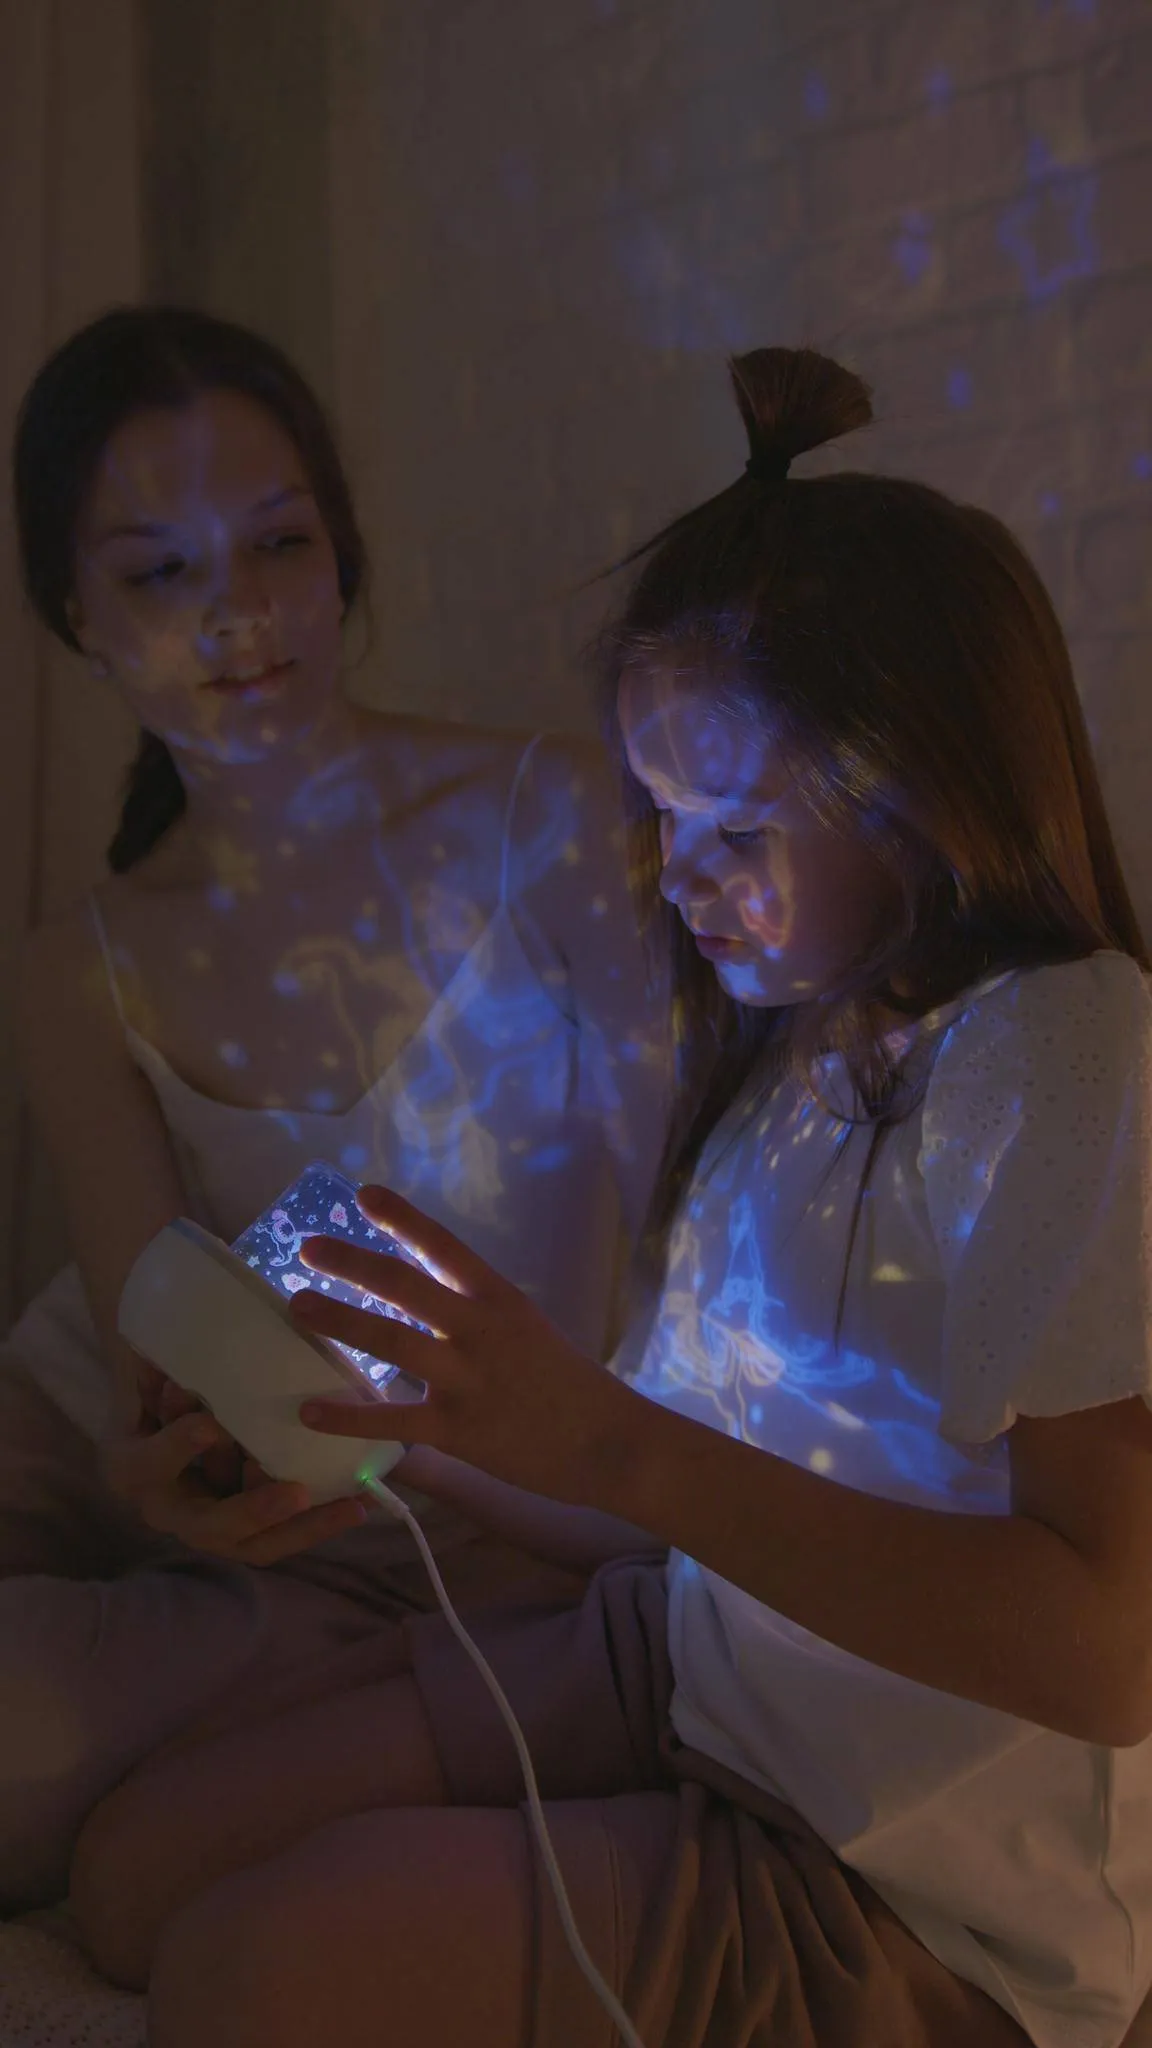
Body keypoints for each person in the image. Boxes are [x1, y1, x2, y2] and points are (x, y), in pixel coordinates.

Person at [68, 345, 1152, 2048]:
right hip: (699, 1659)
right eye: (660, 818)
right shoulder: (789, 1062)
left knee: (240, 1975)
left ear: (920, 786)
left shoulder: (1054, 1048)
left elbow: (1109, 1652)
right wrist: (407, 1420)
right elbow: (658, 1500)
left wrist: (603, 1442)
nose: (681, 880)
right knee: (129, 1880)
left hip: (905, 1872)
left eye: (733, 825)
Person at [0, 304, 672, 1909]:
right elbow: (159, 1376)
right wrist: (171, 1481)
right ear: (78, 615)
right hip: (294, 1572)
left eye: (278, 543)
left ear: (342, 553)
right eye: (162, 571)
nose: (236, 613)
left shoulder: (553, 819)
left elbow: (711, 1234)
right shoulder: (80, 969)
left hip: (562, 1540)